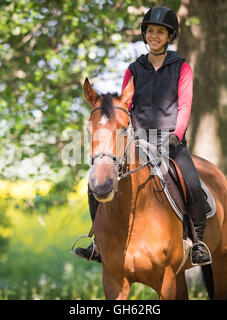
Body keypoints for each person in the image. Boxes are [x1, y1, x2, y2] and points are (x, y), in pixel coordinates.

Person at [75, 6, 212, 265]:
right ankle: (97, 242)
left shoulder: (182, 68)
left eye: (160, 32)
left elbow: (184, 105)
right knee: (97, 181)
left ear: (169, 36)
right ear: (145, 34)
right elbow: (126, 104)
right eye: (150, 31)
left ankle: (197, 242)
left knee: (191, 181)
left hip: (171, 140)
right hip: (139, 140)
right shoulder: (133, 69)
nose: (154, 36)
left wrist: (177, 134)